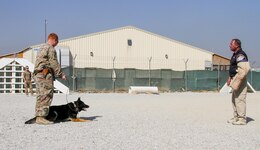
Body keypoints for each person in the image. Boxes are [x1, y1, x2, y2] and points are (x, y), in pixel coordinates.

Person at [33, 33, 66, 125]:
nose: (57, 43)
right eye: (57, 41)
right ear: (54, 40)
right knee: (46, 94)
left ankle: (39, 115)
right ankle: (41, 117)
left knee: (40, 95)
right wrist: (60, 74)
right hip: (45, 74)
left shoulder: (42, 47)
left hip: (38, 74)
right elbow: (53, 62)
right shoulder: (50, 48)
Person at [227, 39, 250, 125]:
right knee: (234, 99)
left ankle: (242, 119)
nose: (229, 45)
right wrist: (230, 78)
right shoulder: (235, 55)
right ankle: (236, 117)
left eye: (231, 44)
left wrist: (237, 80)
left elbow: (244, 69)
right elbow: (233, 67)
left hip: (240, 80)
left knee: (240, 99)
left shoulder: (241, 55)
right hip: (234, 79)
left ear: (236, 45)